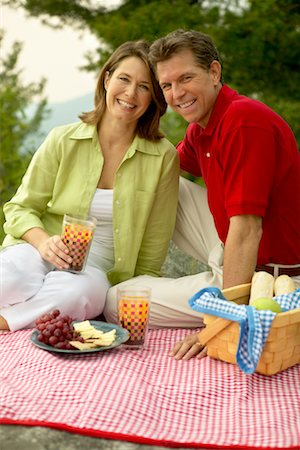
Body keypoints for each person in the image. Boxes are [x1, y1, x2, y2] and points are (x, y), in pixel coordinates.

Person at [104, 29, 300, 359]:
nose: (177, 94)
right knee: (167, 180)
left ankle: (225, 295)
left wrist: (222, 320)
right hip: (237, 255)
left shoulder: (243, 121)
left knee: (117, 302)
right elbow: (157, 168)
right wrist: (116, 125)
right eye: (166, 86)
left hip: (276, 281)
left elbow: (248, 229)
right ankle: (211, 276)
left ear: (214, 72)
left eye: (186, 78)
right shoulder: (201, 129)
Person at [0, 40, 179, 332]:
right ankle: (34, 310)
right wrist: (44, 242)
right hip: (39, 248)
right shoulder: (63, 139)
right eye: (124, 79)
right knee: (6, 279)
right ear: (107, 79)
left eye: (144, 86)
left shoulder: (162, 158)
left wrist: (134, 294)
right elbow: (20, 208)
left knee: (82, 295)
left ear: (153, 98)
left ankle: (7, 321)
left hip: (96, 270)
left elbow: (153, 246)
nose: (131, 93)